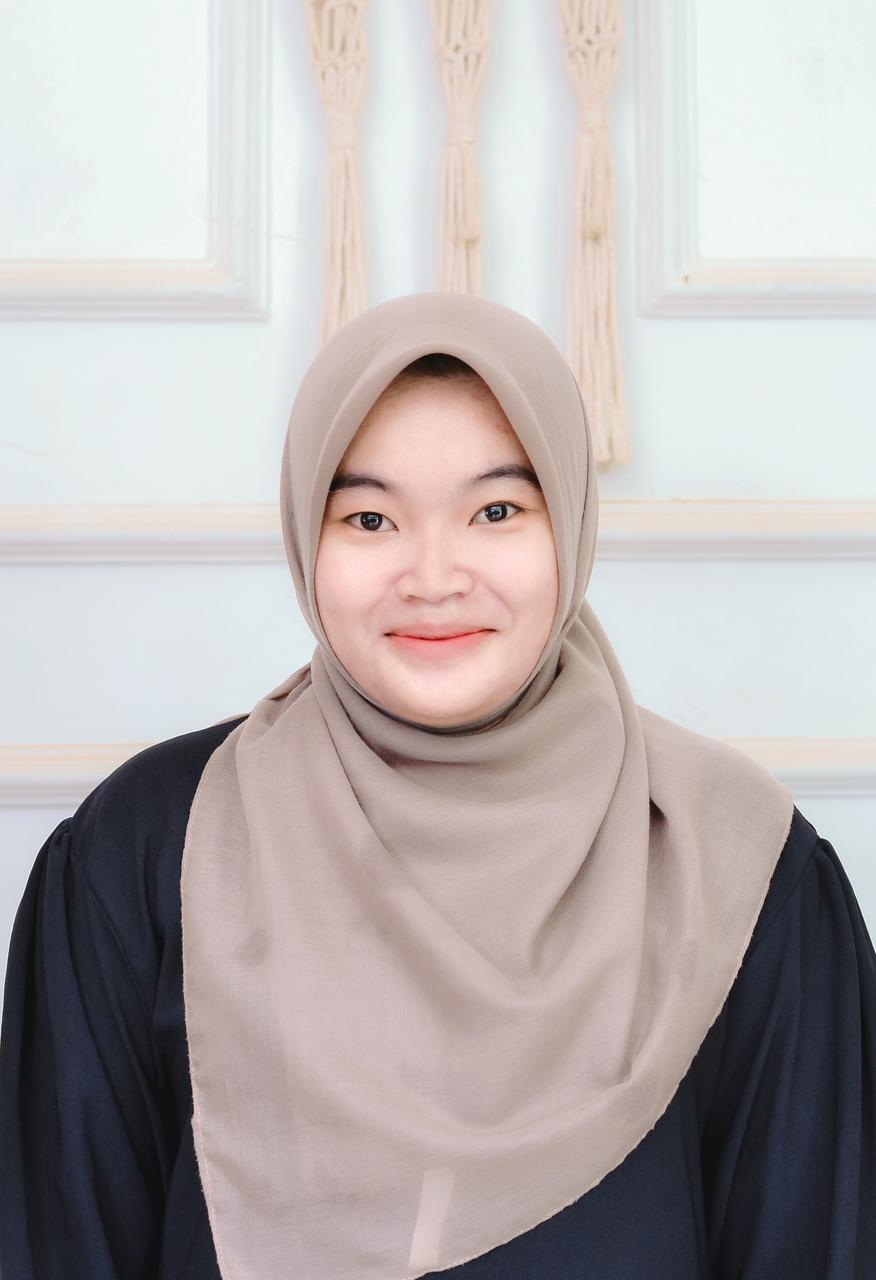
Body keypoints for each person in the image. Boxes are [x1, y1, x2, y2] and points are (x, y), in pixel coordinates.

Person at [2, 292, 874, 1280]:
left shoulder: (739, 867)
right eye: (369, 517)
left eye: (496, 510)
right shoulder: (150, 849)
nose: (433, 576)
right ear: (306, 536)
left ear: (570, 522)